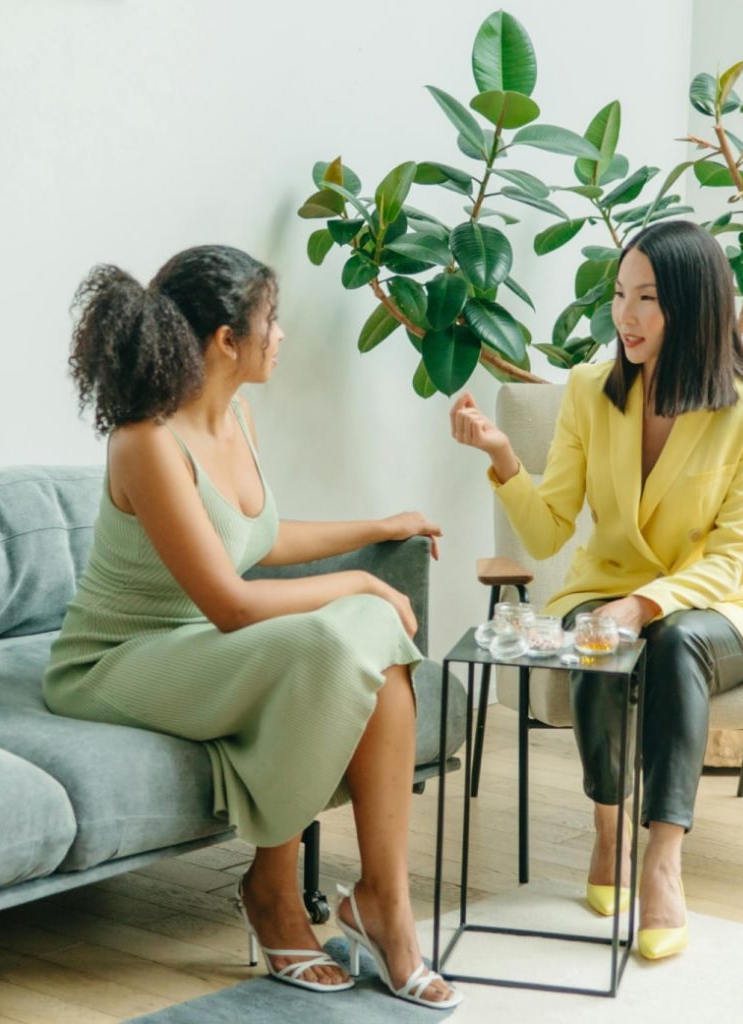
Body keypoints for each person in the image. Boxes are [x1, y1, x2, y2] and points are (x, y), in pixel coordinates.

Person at [44, 245, 460, 1008]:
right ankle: (273, 889)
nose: (282, 336)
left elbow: (257, 540)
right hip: (115, 661)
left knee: (367, 649)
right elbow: (229, 603)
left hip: (196, 646)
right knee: (344, 632)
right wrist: (364, 579)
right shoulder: (145, 442)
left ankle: (383, 905)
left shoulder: (236, 419)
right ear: (226, 341)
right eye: (272, 320)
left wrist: (374, 526)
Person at [450, 219, 743, 960]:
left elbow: (733, 552)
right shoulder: (586, 391)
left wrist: (645, 604)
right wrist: (504, 457)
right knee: (598, 639)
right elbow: (546, 534)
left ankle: (661, 858)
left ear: (694, 308)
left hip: (717, 605)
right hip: (602, 592)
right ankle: (608, 828)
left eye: (647, 299)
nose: (624, 317)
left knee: (671, 641)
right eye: (619, 294)